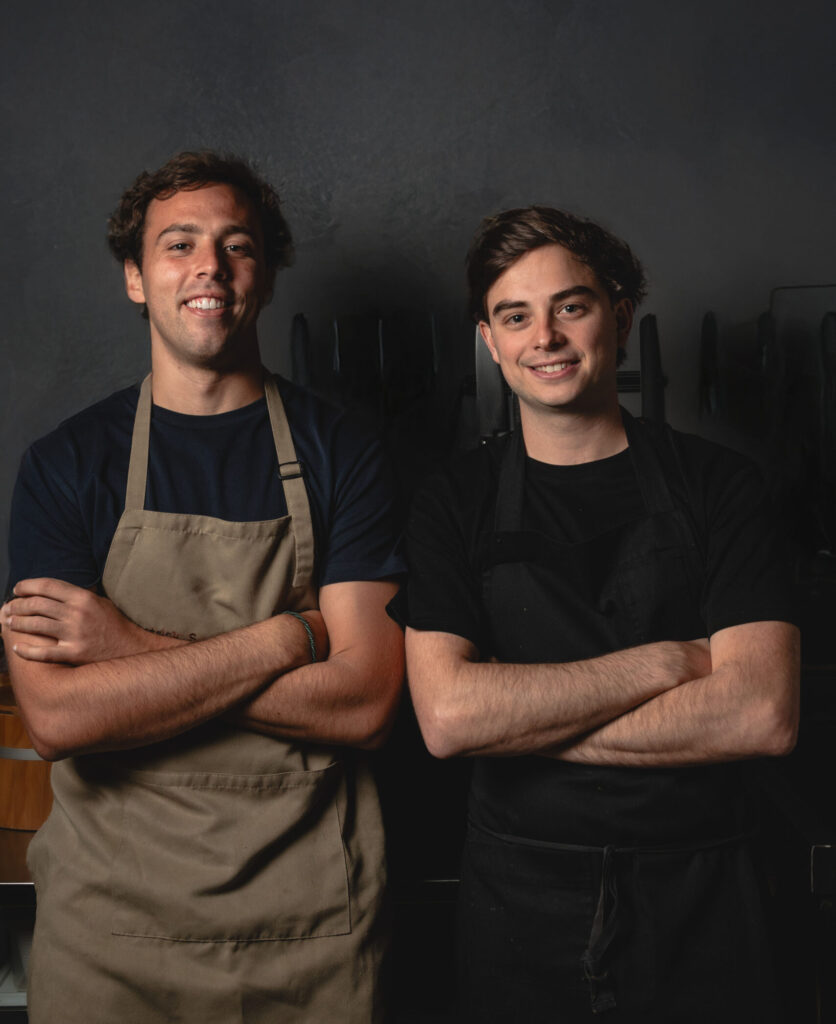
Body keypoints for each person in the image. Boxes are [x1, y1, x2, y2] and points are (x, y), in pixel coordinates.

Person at [2, 151, 404, 1024]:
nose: (209, 268)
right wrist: (291, 637)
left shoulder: (345, 453)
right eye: (178, 244)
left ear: (266, 275)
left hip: (314, 931)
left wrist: (130, 651)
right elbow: (60, 718)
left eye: (237, 245)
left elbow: (366, 702)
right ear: (135, 278)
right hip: (108, 937)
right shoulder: (66, 465)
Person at [400, 206, 799, 1022]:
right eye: (516, 316)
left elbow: (761, 712)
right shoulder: (453, 502)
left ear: (618, 316)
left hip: (703, 900)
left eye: (570, 307)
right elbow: (447, 718)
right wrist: (662, 664)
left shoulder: (721, 487)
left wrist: (520, 722)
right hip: (518, 908)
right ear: (489, 341)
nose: (544, 336)